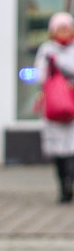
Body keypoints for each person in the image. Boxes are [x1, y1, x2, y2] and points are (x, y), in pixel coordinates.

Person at [35, 11, 74, 202]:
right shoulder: (46, 50)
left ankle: (71, 180)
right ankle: (64, 185)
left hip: (72, 105)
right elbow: (39, 75)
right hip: (54, 106)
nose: (64, 32)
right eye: (60, 28)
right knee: (57, 150)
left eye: (67, 28)